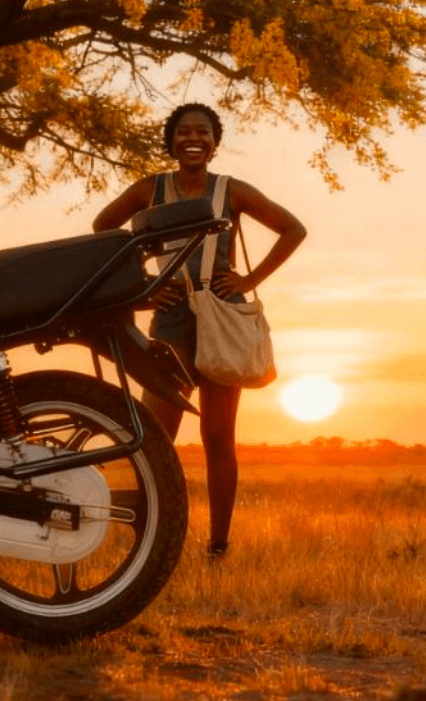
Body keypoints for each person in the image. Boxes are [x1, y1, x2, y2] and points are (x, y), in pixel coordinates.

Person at [92, 103, 307, 559]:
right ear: (171, 140)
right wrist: (143, 285)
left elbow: (293, 228)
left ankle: (218, 546)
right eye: (184, 131)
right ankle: (149, 545)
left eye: (203, 132)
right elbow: (102, 228)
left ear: (214, 142)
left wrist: (249, 281)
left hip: (222, 315)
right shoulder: (150, 189)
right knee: (156, 437)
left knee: (217, 437)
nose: (194, 138)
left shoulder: (233, 190)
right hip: (170, 317)